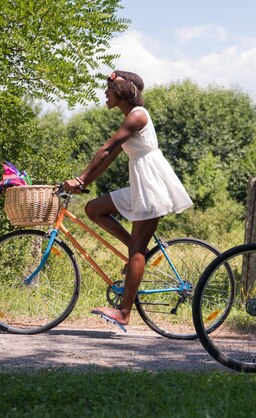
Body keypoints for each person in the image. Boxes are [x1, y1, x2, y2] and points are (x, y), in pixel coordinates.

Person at [63, 70, 193, 327]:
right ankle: (138, 250)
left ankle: (124, 312)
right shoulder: (130, 118)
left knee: (135, 252)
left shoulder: (136, 117)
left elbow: (106, 149)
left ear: (120, 91)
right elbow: (107, 158)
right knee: (94, 209)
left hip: (151, 189)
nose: (104, 93)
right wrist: (83, 182)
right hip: (141, 188)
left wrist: (78, 180)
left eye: (107, 89)